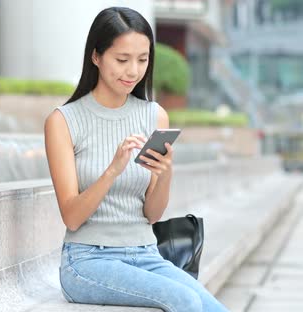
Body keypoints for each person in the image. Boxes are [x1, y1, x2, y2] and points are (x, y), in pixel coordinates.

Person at [43, 7, 229, 312]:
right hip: (88, 260)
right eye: (122, 60)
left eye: (142, 60)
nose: (133, 71)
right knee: (185, 300)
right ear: (96, 56)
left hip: (146, 253)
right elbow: (72, 217)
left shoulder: (153, 115)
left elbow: (152, 215)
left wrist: (165, 173)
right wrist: (112, 171)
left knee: (213, 308)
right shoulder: (63, 121)